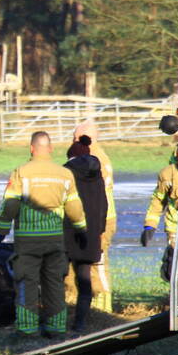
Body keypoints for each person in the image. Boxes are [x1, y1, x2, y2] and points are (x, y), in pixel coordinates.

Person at [0, 131, 87, 337]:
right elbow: (74, 207)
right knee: (54, 283)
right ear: (51, 148)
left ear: (31, 148)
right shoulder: (64, 174)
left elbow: (10, 204)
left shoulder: (21, 172)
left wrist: (1, 232)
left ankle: (27, 329)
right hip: (55, 240)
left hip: (28, 241)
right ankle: (55, 328)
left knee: (26, 282)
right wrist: (81, 229)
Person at [62, 135, 108, 333]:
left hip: (66, 233)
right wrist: (99, 230)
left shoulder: (65, 174)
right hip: (90, 235)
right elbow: (104, 206)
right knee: (84, 281)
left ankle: (56, 321)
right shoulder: (98, 177)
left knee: (56, 279)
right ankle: (80, 323)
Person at [73, 119, 117, 312]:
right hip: (91, 216)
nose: (73, 141)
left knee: (98, 264)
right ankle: (86, 305)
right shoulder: (87, 157)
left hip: (100, 218)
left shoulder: (96, 160)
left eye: (75, 138)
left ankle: (104, 310)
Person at [141, 144, 178, 282]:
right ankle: (173, 297)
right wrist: (150, 225)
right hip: (175, 228)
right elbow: (158, 201)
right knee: (173, 266)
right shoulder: (167, 174)